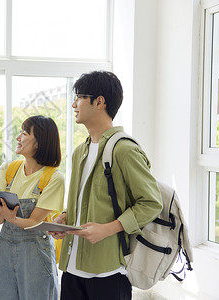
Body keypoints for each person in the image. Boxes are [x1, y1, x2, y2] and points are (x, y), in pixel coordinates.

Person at [50, 71, 163, 300]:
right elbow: (84, 200)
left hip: (108, 272)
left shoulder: (124, 149)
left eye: (79, 97)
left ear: (99, 102)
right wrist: (65, 218)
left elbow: (152, 203)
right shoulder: (80, 151)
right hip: (71, 269)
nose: (74, 104)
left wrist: (107, 229)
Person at [0, 115, 64, 300]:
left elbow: (35, 221)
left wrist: (9, 217)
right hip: (4, 248)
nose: (18, 137)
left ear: (39, 142)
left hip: (35, 250)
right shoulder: (8, 170)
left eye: (24, 133)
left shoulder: (54, 178)